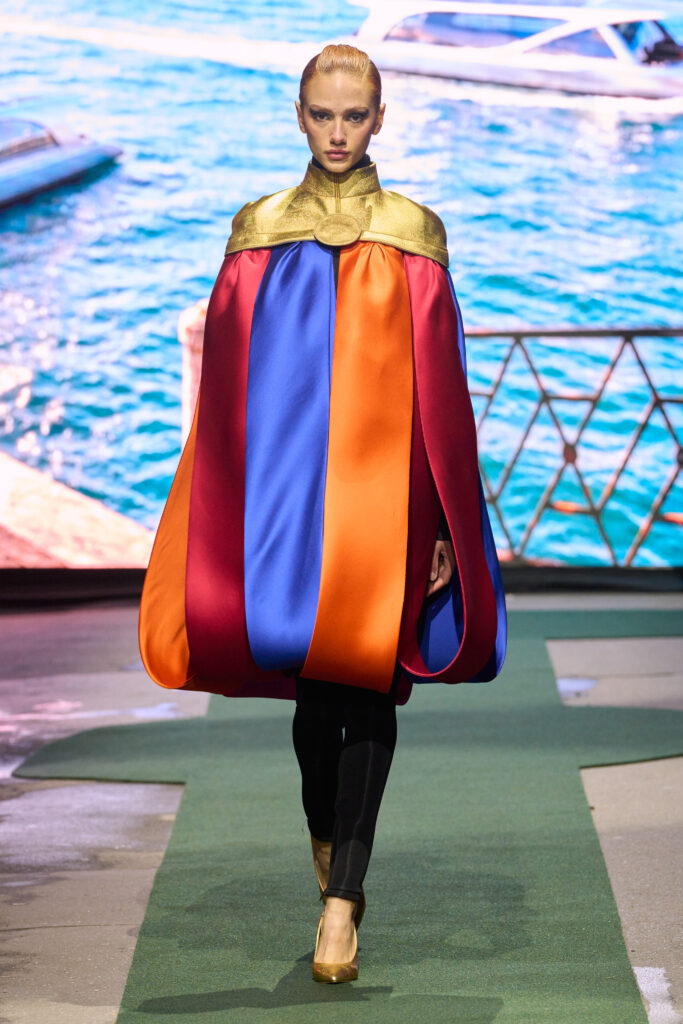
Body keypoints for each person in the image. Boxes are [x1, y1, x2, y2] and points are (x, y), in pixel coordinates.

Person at [138, 43, 506, 985]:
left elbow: (443, 397)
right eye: (322, 114)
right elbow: (228, 399)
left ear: (379, 118)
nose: (338, 132)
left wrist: (442, 525)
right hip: (289, 499)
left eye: (354, 115)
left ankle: (341, 900)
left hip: (388, 498)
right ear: (298, 116)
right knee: (313, 697)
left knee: (367, 685)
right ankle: (326, 834)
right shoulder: (256, 229)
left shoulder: (415, 232)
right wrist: (220, 514)